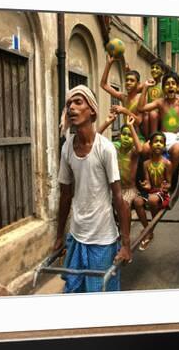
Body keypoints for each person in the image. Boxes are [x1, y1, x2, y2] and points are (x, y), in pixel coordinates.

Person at [54, 85, 132, 293]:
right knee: (73, 292)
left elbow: (118, 197)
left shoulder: (105, 148)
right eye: (69, 103)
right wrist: (59, 236)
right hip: (77, 235)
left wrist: (125, 244)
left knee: (99, 298)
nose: (71, 107)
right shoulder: (67, 148)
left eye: (78, 102)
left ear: (92, 111)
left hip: (102, 238)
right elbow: (65, 196)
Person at [138, 70, 179, 173]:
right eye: (167, 84)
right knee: (145, 148)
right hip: (161, 136)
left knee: (177, 150)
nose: (170, 86)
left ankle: (168, 179)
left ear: (176, 87)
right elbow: (141, 108)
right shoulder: (160, 102)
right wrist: (145, 87)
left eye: (173, 83)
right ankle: (149, 176)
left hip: (175, 137)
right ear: (163, 88)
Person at [98, 112, 148, 233]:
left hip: (130, 189)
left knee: (124, 204)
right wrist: (107, 122)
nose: (126, 137)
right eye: (124, 134)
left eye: (129, 135)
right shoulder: (114, 147)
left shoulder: (133, 152)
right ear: (119, 136)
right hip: (115, 189)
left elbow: (140, 149)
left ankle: (133, 234)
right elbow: (95, 138)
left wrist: (131, 126)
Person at [139, 131, 172, 250]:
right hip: (151, 191)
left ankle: (150, 231)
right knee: (137, 202)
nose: (158, 144)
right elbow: (147, 181)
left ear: (164, 146)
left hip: (161, 192)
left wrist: (165, 186)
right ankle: (147, 227)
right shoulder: (146, 164)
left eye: (161, 142)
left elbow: (169, 183)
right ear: (151, 145)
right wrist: (145, 185)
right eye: (155, 142)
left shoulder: (167, 163)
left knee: (152, 200)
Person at [100, 55, 143, 128]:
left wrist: (124, 111)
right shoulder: (123, 97)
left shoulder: (140, 98)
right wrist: (108, 64)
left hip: (139, 136)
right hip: (126, 134)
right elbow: (103, 85)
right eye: (127, 80)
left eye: (132, 81)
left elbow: (139, 121)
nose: (128, 82)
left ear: (138, 84)